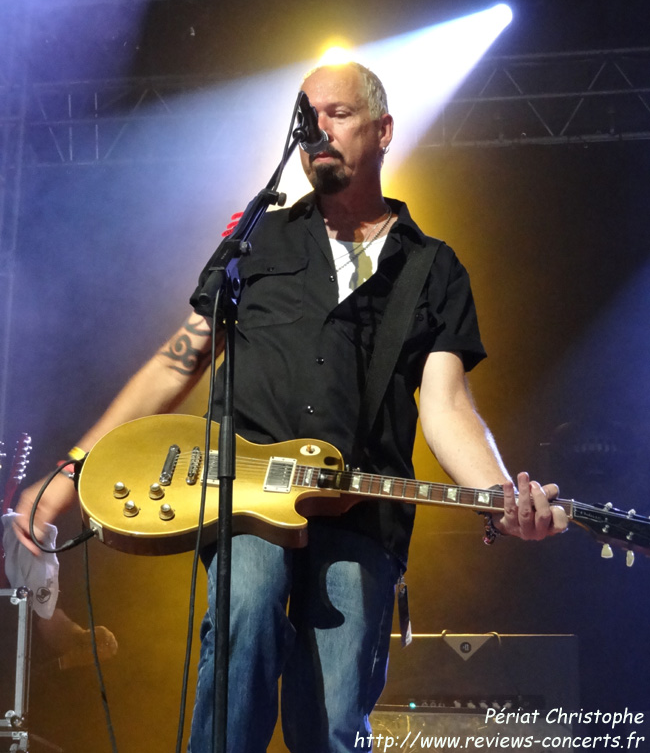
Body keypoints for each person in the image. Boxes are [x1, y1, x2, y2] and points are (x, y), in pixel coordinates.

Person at [14, 62, 568, 752]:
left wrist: (496, 494)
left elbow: (448, 404)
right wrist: (67, 476)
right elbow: (176, 360)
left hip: (361, 512)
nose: (317, 130)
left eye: (336, 113)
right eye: (306, 118)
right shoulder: (258, 241)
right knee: (245, 612)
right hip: (241, 496)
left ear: (384, 129)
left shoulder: (433, 267)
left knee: (334, 719)